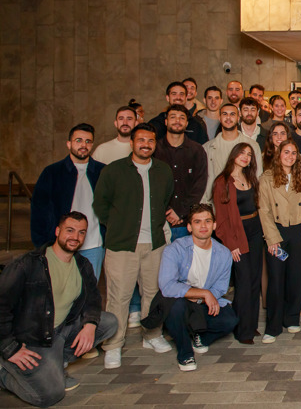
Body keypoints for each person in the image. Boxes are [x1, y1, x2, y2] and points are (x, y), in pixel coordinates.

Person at [0, 212, 117, 407]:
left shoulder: (82, 265)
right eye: (70, 230)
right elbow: (2, 306)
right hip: (33, 338)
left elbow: (93, 299)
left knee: (109, 322)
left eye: (81, 232)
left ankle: (57, 363)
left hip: (61, 331)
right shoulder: (28, 264)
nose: (75, 237)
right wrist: (9, 348)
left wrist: (89, 325)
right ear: (57, 231)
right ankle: (4, 371)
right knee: (49, 395)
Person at [93, 123, 174, 369]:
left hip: (155, 244)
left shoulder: (163, 171)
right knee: (119, 296)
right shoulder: (114, 171)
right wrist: (118, 225)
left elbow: (165, 199)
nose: (145, 145)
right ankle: (113, 345)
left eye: (150, 141)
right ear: (132, 142)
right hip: (122, 245)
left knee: (153, 293)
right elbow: (100, 204)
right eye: (141, 140)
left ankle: (151, 335)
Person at [154, 204, 238, 371]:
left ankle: (201, 337)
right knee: (176, 307)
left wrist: (202, 297)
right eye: (197, 222)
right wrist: (202, 293)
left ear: (214, 225)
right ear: (189, 227)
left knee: (230, 320)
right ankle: (185, 353)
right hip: (180, 301)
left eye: (207, 221)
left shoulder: (223, 253)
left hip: (201, 303)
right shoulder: (174, 249)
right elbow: (167, 286)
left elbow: (220, 288)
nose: (203, 226)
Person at [257, 142, 301, 343]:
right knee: (275, 279)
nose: (290, 156)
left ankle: (292, 318)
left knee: (296, 277)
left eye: (294, 153)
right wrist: (272, 239)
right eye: (286, 152)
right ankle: (273, 326)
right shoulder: (266, 178)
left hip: (297, 232)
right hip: (277, 232)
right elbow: (264, 210)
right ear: (279, 154)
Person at [31, 124, 106, 278]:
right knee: (59, 288)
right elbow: (39, 210)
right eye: (78, 140)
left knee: (88, 290)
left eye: (88, 141)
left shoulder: (103, 172)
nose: (83, 145)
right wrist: (42, 244)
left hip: (94, 245)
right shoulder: (52, 172)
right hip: (61, 245)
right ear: (69, 143)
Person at [211, 144, 263, 344]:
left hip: (255, 231)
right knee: (243, 282)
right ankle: (242, 330)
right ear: (234, 155)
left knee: (255, 280)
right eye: (242, 153)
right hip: (237, 234)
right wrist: (231, 245)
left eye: (249, 154)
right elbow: (221, 220)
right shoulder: (222, 182)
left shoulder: (250, 178)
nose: (245, 157)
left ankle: (251, 324)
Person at [153, 105, 208, 242]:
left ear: (187, 123)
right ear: (166, 121)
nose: (177, 121)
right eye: (173, 117)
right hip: (159, 222)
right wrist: (167, 211)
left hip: (186, 223)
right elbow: (151, 185)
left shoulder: (197, 150)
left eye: (182, 118)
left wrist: (180, 212)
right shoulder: (155, 150)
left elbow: (199, 185)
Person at [203, 103, 262, 200]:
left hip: (244, 203)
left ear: (238, 118)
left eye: (232, 114)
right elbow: (204, 180)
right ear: (219, 118)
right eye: (225, 114)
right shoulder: (207, 148)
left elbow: (257, 176)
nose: (228, 117)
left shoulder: (252, 146)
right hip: (215, 202)